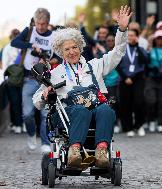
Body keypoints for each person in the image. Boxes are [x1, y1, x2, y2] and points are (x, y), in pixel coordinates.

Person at [33, 5, 132, 168]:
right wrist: (44, 94)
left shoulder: (95, 66)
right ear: (60, 52)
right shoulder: (55, 73)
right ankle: (74, 151)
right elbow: (37, 101)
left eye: (74, 47)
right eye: (67, 49)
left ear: (80, 47)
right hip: (67, 115)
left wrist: (122, 29)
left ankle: (101, 152)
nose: (72, 52)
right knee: (80, 110)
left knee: (106, 110)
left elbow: (118, 52)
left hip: (94, 110)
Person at [11, 8, 60, 153]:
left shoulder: (54, 36)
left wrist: (50, 60)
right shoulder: (29, 31)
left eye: (43, 24)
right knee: (27, 113)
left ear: (48, 23)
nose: (40, 27)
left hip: (46, 80)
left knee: (45, 113)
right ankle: (32, 134)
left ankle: (45, 142)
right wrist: (31, 45)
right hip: (29, 78)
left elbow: (61, 56)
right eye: (38, 23)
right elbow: (14, 42)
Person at [117, 29, 149, 137]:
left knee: (139, 102)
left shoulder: (140, 49)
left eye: (132, 35)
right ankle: (128, 127)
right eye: (128, 35)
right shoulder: (121, 49)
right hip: (124, 78)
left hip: (138, 78)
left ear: (136, 37)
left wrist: (137, 46)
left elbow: (145, 61)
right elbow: (117, 64)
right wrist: (125, 77)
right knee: (126, 104)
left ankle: (139, 125)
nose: (130, 37)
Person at [2, 29, 23, 134]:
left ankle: (20, 124)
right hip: (12, 79)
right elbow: (5, 65)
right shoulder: (7, 48)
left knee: (21, 101)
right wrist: (6, 78)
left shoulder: (22, 48)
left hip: (21, 78)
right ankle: (17, 124)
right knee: (15, 102)